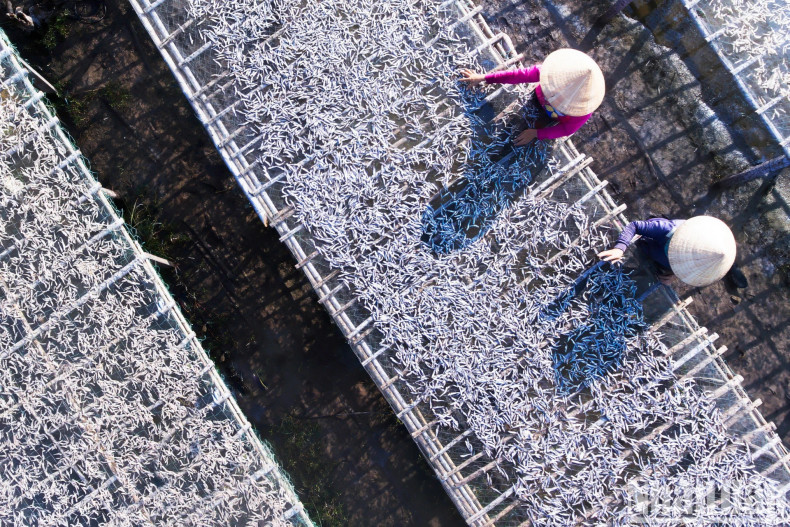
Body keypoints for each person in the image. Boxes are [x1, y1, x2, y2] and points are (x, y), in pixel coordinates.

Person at [459, 48, 605, 145]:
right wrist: (485, 77)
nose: (556, 98)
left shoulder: (582, 112)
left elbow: (566, 130)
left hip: (551, 119)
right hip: (536, 97)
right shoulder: (550, 73)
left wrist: (538, 133)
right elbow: (516, 76)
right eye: (554, 91)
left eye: (564, 101)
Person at [598, 216, 736, 287]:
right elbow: (634, 226)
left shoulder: (702, 266)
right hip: (650, 241)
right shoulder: (665, 228)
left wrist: (674, 275)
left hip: (662, 259)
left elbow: (692, 273)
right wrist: (620, 248)